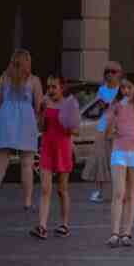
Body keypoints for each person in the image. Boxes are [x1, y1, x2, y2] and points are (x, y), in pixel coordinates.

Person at [0, 49, 43, 212]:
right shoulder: (34, 81)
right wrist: (38, 122)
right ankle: (27, 201)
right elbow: (38, 106)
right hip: (26, 119)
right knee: (27, 163)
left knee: (1, 160)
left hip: (5, 117)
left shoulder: (4, 78)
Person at [105, 73, 134, 248]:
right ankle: (114, 233)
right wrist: (113, 124)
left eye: (129, 87)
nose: (125, 91)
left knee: (132, 195)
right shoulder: (116, 106)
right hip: (119, 152)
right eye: (123, 87)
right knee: (118, 193)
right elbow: (107, 132)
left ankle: (127, 233)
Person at [31, 74, 77, 239]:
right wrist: (41, 112)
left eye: (53, 87)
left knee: (62, 190)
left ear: (61, 87)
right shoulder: (46, 102)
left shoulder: (69, 104)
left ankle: (64, 224)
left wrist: (66, 119)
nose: (50, 90)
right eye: (48, 87)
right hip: (47, 148)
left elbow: (74, 130)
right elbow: (41, 127)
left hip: (63, 148)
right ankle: (42, 226)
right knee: (45, 189)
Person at [83, 61, 122, 204]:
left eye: (113, 72)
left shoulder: (122, 89)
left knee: (118, 160)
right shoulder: (102, 90)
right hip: (103, 127)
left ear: (119, 74)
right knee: (100, 159)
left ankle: (118, 191)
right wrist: (102, 106)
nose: (110, 75)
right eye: (107, 72)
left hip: (118, 128)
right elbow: (99, 108)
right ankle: (98, 191)